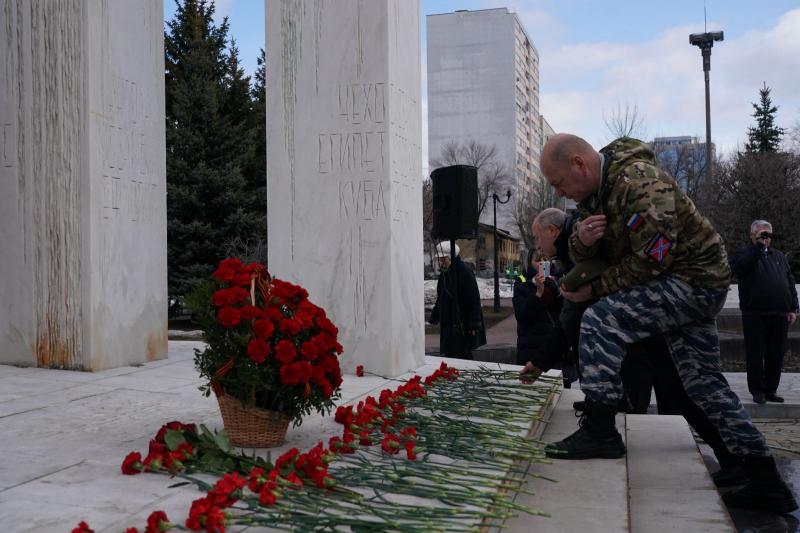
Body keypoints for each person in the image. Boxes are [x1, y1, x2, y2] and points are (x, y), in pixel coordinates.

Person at [539, 133, 796, 514]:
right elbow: (582, 250)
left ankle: (600, 429)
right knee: (702, 383)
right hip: (681, 282)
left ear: (579, 164)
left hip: (696, 281)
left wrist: (596, 288)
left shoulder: (639, 183)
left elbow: (652, 260)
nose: (562, 193)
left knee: (600, 320)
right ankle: (762, 477)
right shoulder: (599, 192)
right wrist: (581, 238)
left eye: (560, 183)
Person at [730, 220, 799, 404]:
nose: (766, 238)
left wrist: (793, 307)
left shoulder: (779, 256)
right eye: (762, 234)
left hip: (779, 313)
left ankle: (770, 389)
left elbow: (789, 281)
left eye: (768, 235)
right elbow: (739, 268)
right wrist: (757, 248)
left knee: (776, 354)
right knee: (755, 353)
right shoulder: (744, 253)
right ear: (753, 235)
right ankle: (757, 391)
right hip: (755, 313)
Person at [429, 242, 486, 359]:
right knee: (451, 353)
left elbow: (473, 299)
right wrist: (435, 314)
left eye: (443, 258)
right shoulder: (445, 274)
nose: (441, 262)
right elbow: (441, 297)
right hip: (449, 324)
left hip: (461, 324)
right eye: (440, 259)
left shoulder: (464, 272)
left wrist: (474, 324)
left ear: (451, 257)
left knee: (462, 354)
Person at [512, 248, 565, 372]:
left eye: (545, 259)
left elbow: (563, 313)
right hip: (532, 348)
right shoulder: (522, 282)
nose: (542, 263)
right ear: (529, 262)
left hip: (554, 348)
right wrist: (538, 293)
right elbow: (522, 316)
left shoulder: (556, 280)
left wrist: (557, 293)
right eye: (537, 260)